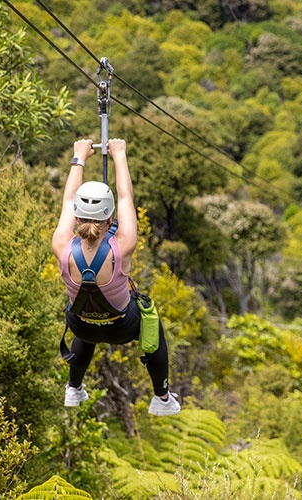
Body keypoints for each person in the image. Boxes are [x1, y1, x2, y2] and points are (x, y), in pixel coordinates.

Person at [51, 138, 180, 415]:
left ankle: (73, 388)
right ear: (109, 217)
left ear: (76, 216)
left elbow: (67, 200)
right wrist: (119, 154)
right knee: (151, 321)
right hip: (122, 327)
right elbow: (125, 198)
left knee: (86, 318)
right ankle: (162, 398)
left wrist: (79, 157)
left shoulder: (61, 243)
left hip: (81, 325)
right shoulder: (122, 245)